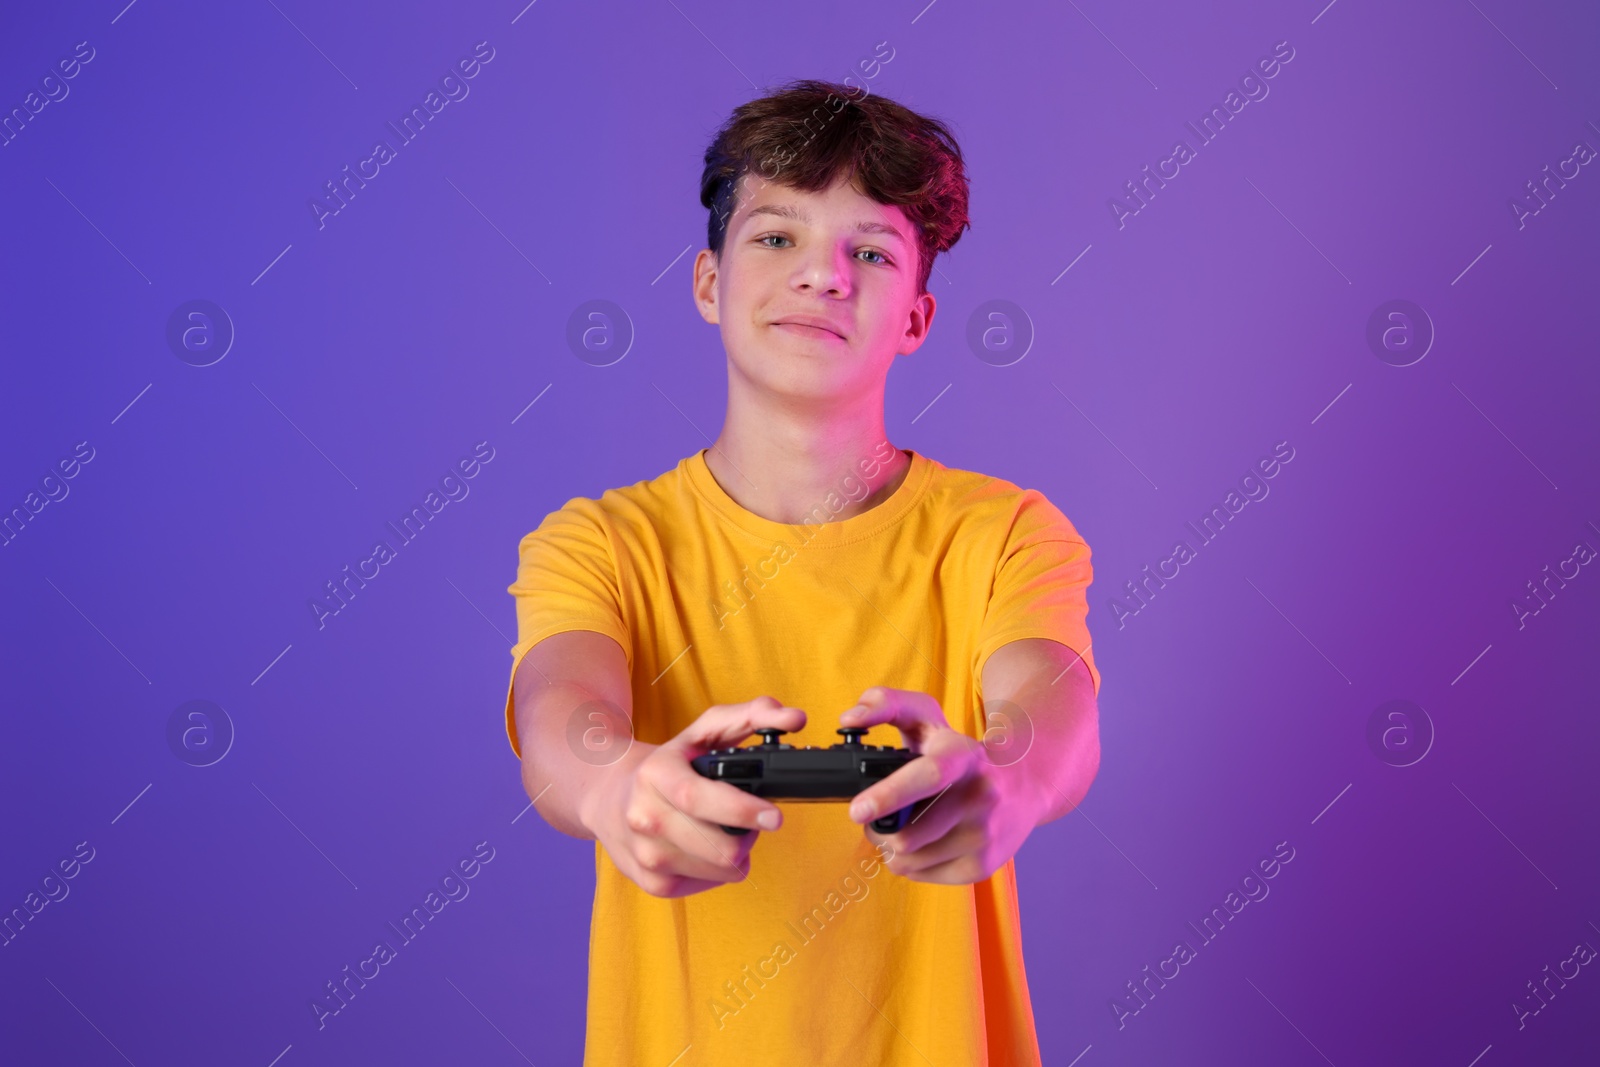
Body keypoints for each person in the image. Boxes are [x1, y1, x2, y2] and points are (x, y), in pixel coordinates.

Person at [504, 78, 1102, 1066]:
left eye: (869, 251)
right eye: (777, 236)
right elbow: (560, 712)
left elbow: (1055, 707)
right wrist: (614, 785)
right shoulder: (597, 543)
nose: (823, 275)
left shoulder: (1004, 532)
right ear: (706, 281)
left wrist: (1008, 775)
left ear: (914, 317)